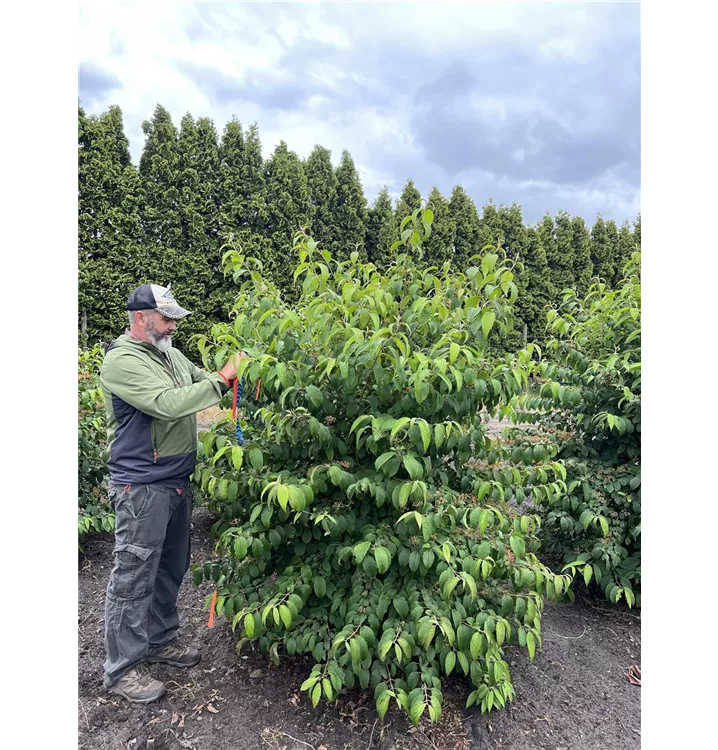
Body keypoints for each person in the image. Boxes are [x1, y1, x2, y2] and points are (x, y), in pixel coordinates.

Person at [98, 283, 245, 703]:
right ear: (141, 318)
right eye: (167, 319)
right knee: (133, 574)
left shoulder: (170, 353)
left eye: (176, 319)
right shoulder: (122, 361)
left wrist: (233, 369)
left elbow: (201, 382)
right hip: (142, 485)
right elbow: (167, 403)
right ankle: (122, 669)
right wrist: (222, 378)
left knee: (171, 566)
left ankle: (160, 641)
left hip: (177, 481)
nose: (174, 326)